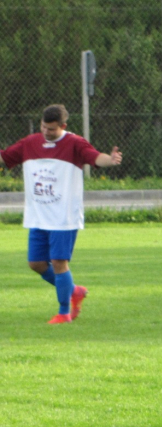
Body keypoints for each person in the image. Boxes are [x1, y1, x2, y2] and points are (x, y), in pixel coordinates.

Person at [0, 104, 122, 324]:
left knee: (58, 262)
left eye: (52, 129)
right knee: (36, 264)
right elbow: (5, 157)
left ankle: (64, 312)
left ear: (63, 126)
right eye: (44, 127)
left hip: (63, 217)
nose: (46, 132)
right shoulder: (30, 143)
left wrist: (110, 160)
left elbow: (95, 157)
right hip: (38, 216)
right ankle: (73, 290)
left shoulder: (74, 143)